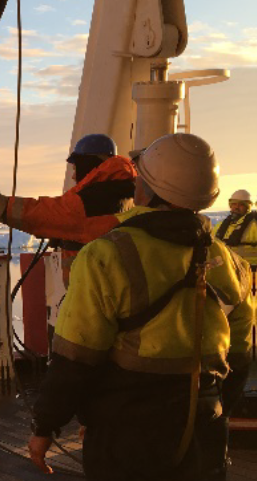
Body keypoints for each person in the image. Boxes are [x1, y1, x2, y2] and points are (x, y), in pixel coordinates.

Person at [27, 133, 255, 481]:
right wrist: (214, 410)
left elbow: (75, 357)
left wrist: (45, 426)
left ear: (144, 190)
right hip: (202, 428)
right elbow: (238, 359)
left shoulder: (106, 256)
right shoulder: (230, 264)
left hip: (126, 430)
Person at [0, 133, 136, 285]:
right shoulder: (129, 193)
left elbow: (27, 213)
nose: (74, 175)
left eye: (76, 167)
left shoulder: (84, 205)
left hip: (92, 300)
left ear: (89, 164)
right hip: (116, 291)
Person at [213, 189, 257, 271]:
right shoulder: (219, 226)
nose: (236, 207)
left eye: (241, 205)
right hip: (229, 272)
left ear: (248, 207)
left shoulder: (253, 225)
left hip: (250, 272)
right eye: (234, 204)